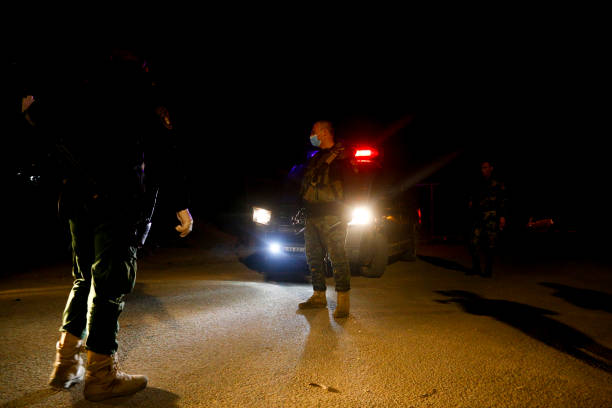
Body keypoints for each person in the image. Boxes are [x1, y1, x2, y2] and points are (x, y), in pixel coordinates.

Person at [35, 47, 194, 401]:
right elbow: (162, 152)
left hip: (78, 200)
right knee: (110, 284)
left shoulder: (79, 91)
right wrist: (181, 205)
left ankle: (66, 365)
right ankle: (101, 375)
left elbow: (47, 131)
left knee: (84, 279)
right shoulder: (137, 95)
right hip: (117, 201)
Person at [298, 120, 357, 318]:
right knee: (313, 257)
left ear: (324, 132)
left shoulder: (341, 157)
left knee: (338, 257)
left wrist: (346, 213)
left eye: (313, 131)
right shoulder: (316, 158)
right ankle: (318, 296)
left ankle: (343, 302)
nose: (311, 134)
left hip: (333, 217)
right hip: (312, 216)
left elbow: (352, 188)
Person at [467, 160, 507, 277]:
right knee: (473, 242)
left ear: (491, 168)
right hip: (479, 215)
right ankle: (477, 267)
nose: (483, 170)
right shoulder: (478, 182)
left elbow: (503, 200)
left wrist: (502, 216)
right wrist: (471, 203)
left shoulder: (497, 183)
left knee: (490, 244)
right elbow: (473, 195)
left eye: (485, 168)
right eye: (482, 168)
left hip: (492, 216)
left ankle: (488, 270)